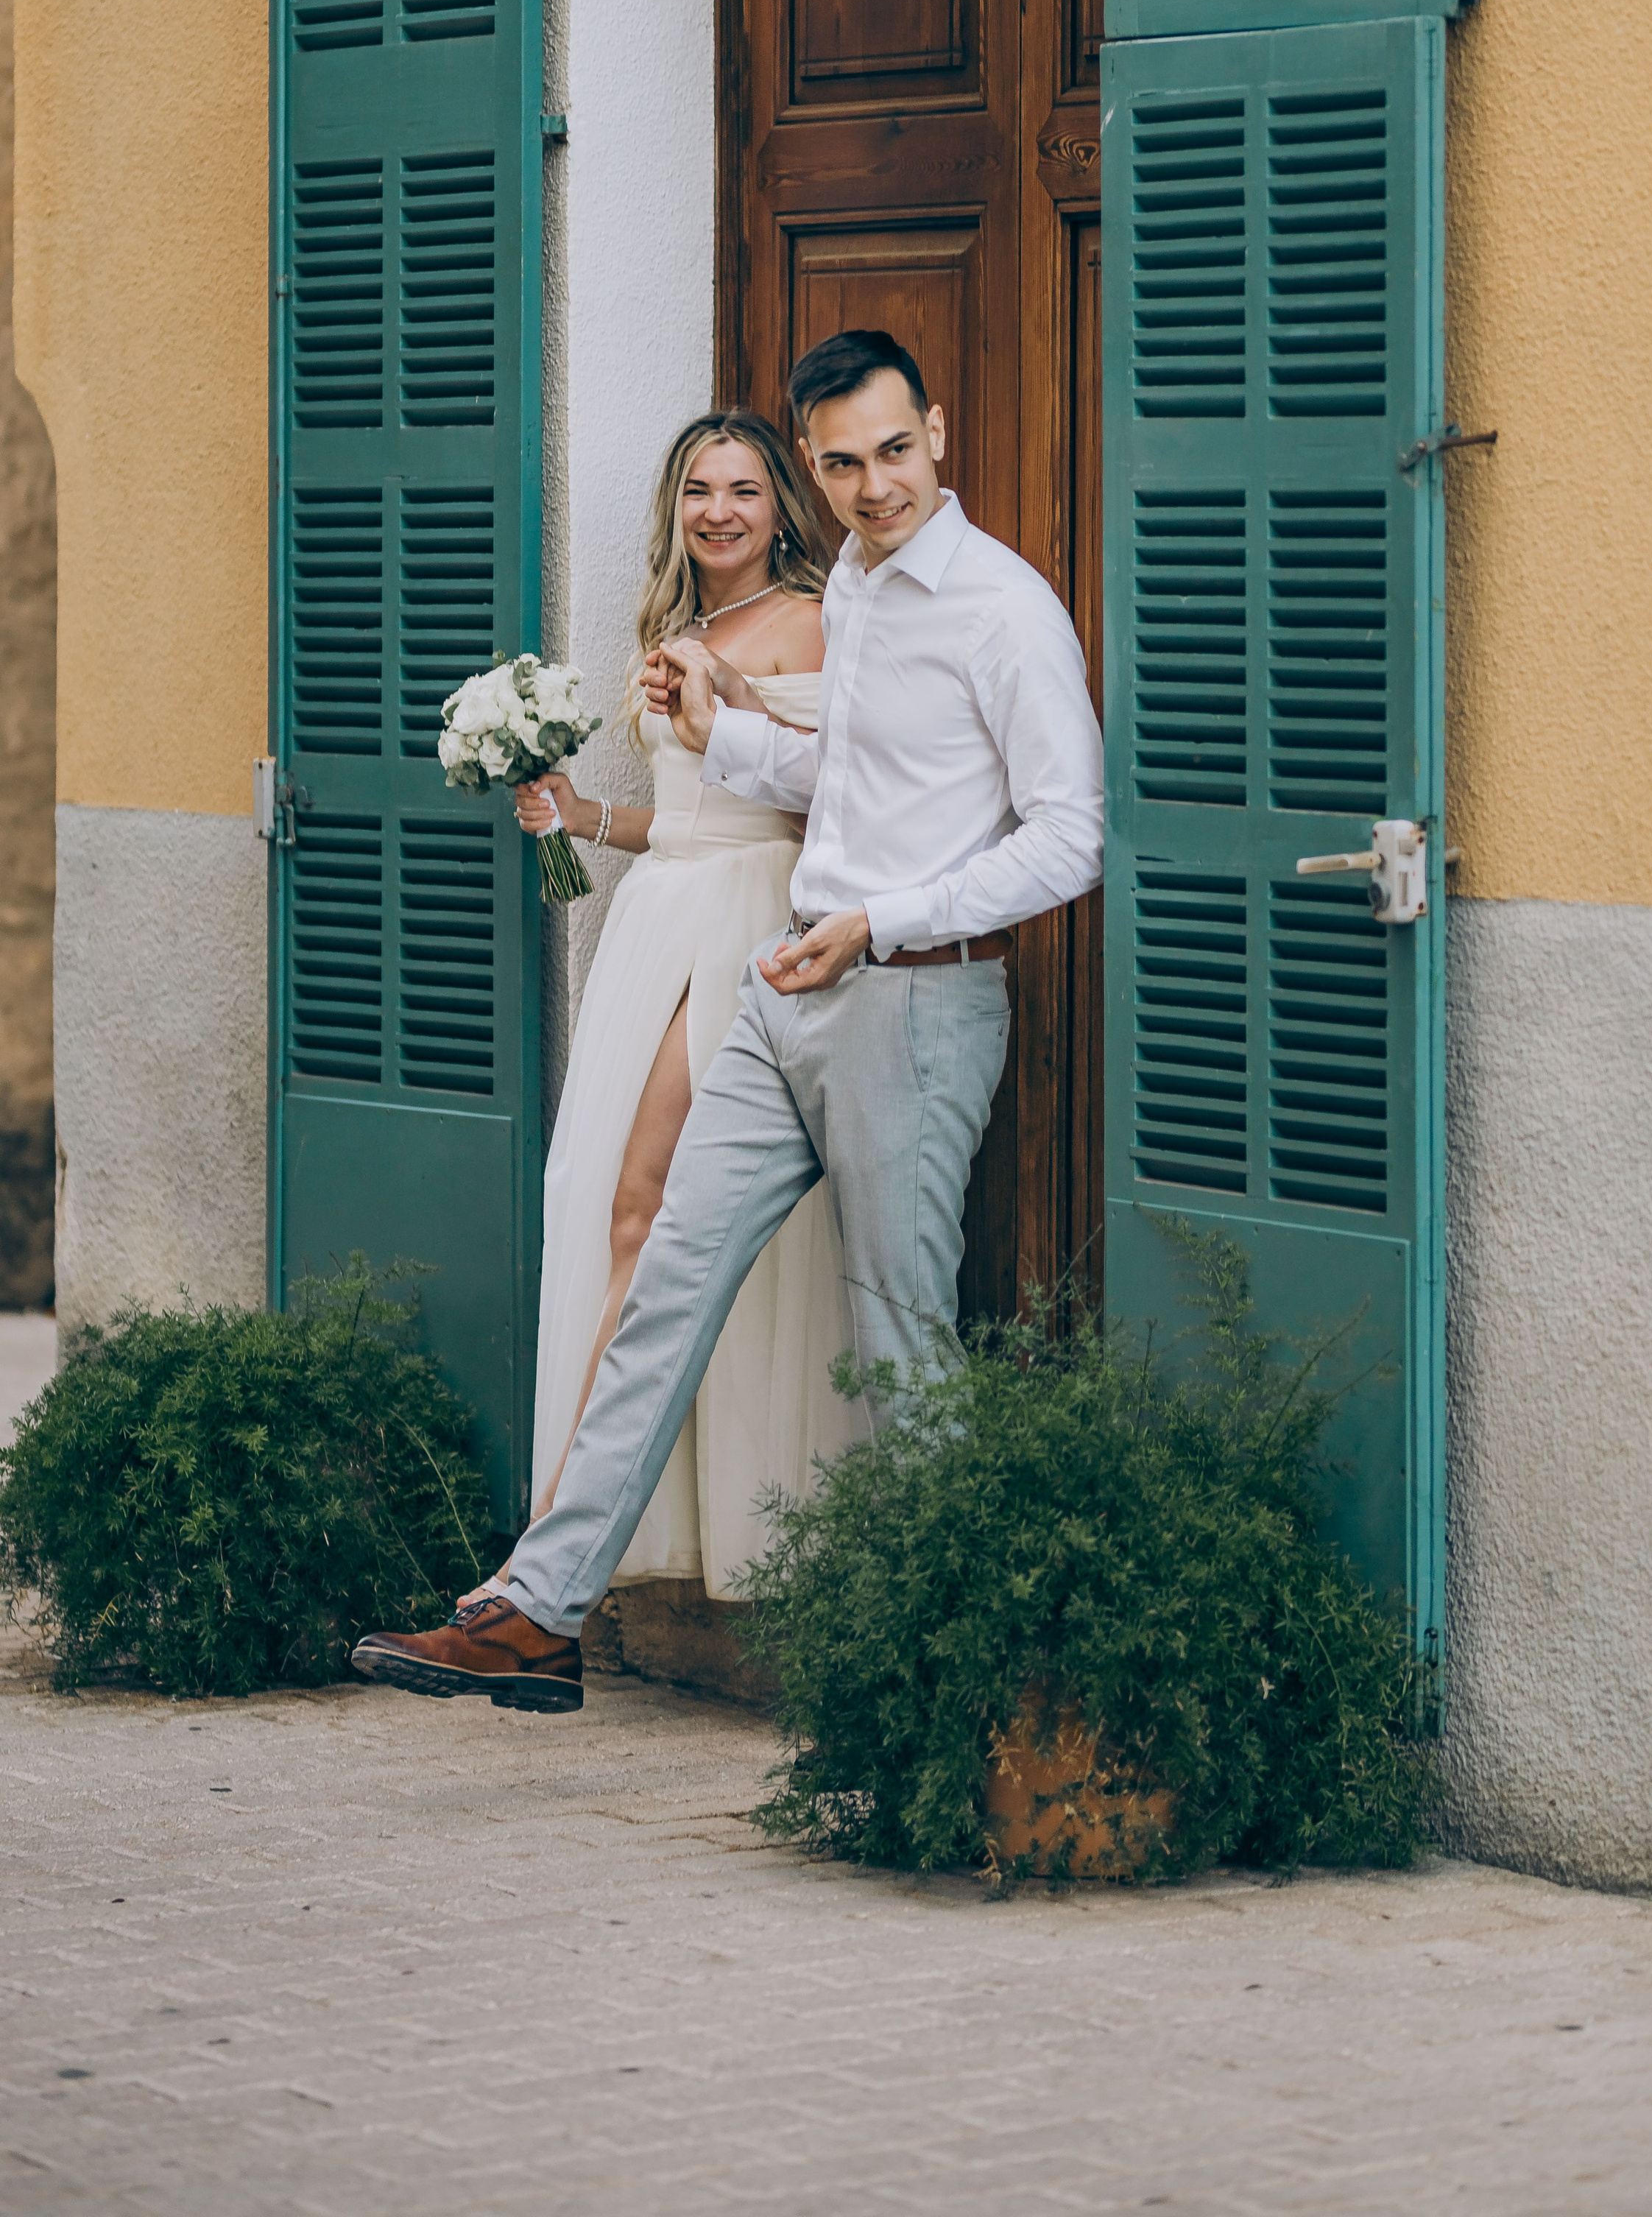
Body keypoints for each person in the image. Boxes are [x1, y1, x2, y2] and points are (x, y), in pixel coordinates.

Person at [352, 330, 1104, 1713]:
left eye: (893, 451)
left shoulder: (1003, 609)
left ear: (937, 432)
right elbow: (848, 772)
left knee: (902, 1344)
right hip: (783, 984)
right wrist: (718, 724)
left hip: (912, 1003)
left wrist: (882, 921)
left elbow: (1071, 839)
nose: (873, 486)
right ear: (814, 472)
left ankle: (979, 1680)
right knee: (663, 1290)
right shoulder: (864, 590)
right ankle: (540, 1608)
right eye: (842, 464)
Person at [459, 407, 854, 1611]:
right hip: (660, 920)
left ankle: (546, 1556)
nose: (719, 511)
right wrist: (580, 817)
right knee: (601, 1202)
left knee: (643, 1203)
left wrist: (730, 701)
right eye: (697, 490)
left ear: (783, 504)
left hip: (750, 925)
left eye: (743, 489)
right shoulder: (670, 626)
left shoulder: (823, 617)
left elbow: (835, 795)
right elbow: (683, 817)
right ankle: (577, 1539)